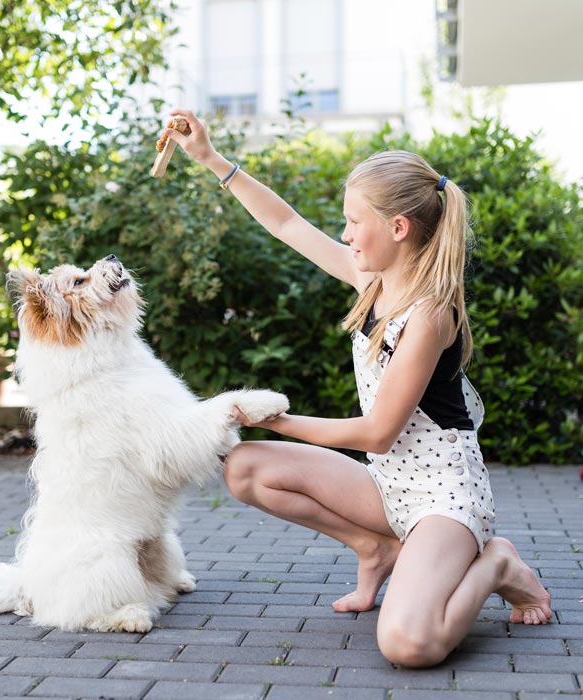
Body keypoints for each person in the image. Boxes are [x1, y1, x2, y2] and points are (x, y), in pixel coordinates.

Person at [162, 109, 552, 668]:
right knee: (245, 467)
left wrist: (274, 419)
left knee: (409, 645)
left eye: (352, 222)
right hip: (388, 487)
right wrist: (210, 159)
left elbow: (376, 432)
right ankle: (376, 547)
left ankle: (498, 565)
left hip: (443, 501)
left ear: (398, 228)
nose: (343, 234)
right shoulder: (371, 281)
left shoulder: (429, 315)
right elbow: (287, 225)